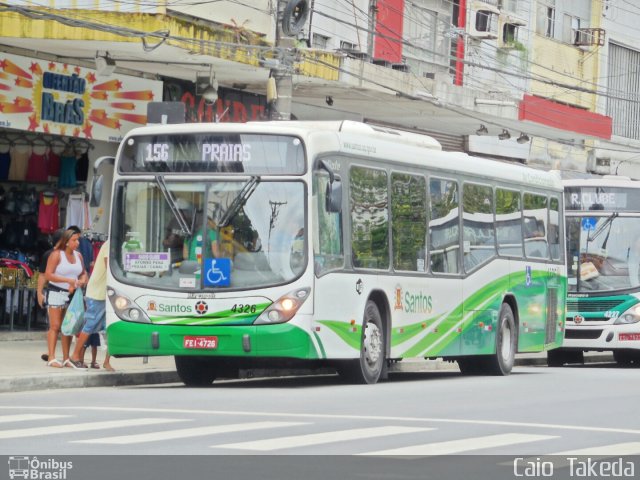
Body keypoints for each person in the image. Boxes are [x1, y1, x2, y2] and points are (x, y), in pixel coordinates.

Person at [44, 228, 88, 368]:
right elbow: (48, 275)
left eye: (78, 240)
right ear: (67, 242)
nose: (77, 243)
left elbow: (82, 272)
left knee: (67, 327)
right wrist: (69, 281)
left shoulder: (78, 256)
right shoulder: (57, 255)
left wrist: (82, 280)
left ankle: (66, 358)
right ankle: (51, 357)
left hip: (73, 294)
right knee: (55, 326)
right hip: (56, 292)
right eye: (74, 240)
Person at [69, 241, 114, 371]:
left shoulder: (119, 245)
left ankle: (106, 361)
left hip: (109, 293)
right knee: (90, 325)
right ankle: (75, 356)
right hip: (97, 293)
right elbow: (109, 266)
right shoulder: (109, 245)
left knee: (110, 328)